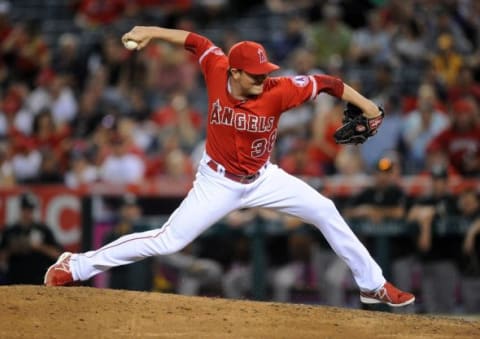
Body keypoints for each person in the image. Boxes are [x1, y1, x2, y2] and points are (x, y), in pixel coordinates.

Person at [44, 25, 415, 307]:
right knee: (168, 240)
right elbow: (195, 41)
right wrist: (151, 32)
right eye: (255, 73)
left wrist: (368, 106)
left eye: (265, 71)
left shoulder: (279, 91)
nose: (263, 78)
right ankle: (75, 266)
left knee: (324, 209)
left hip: (264, 177)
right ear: (233, 73)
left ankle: (372, 285)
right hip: (217, 182)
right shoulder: (216, 67)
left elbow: (328, 83)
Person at [0, 193, 62, 284]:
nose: (28, 213)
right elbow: (2, 258)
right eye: (25, 209)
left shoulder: (43, 230)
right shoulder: (10, 231)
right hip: (15, 282)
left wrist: (39, 247)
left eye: (30, 210)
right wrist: (12, 249)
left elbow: (58, 255)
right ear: (21, 210)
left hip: (38, 281)